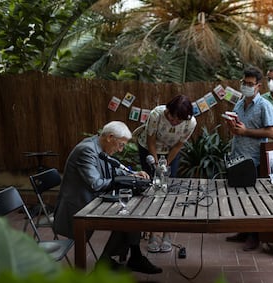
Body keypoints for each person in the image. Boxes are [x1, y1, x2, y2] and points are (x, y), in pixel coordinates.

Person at [53, 121, 162, 273]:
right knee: (126, 218)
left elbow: (113, 171)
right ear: (110, 137)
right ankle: (114, 260)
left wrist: (132, 175)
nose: (120, 149)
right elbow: (96, 184)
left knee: (130, 214)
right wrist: (121, 181)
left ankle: (126, 258)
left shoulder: (100, 146)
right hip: (79, 209)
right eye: (121, 145)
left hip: (95, 201)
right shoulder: (87, 150)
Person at [224, 66, 273, 250]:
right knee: (239, 196)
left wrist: (246, 131)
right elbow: (238, 128)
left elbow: (271, 132)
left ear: (258, 86)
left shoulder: (264, 106)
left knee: (254, 198)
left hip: (254, 159)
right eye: (244, 83)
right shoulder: (239, 104)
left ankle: (255, 236)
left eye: (250, 84)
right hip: (237, 155)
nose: (246, 86)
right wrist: (234, 127)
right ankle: (244, 231)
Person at [137, 95, 197, 253]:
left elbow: (178, 146)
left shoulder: (190, 123)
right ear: (168, 111)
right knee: (152, 190)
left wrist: (164, 166)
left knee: (168, 189)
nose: (174, 122)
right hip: (149, 149)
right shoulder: (156, 114)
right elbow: (150, 141)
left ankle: (167, 233)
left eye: (179, 120)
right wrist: (156, 165)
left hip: (171, 152)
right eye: (172, 118)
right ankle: (152, 234)